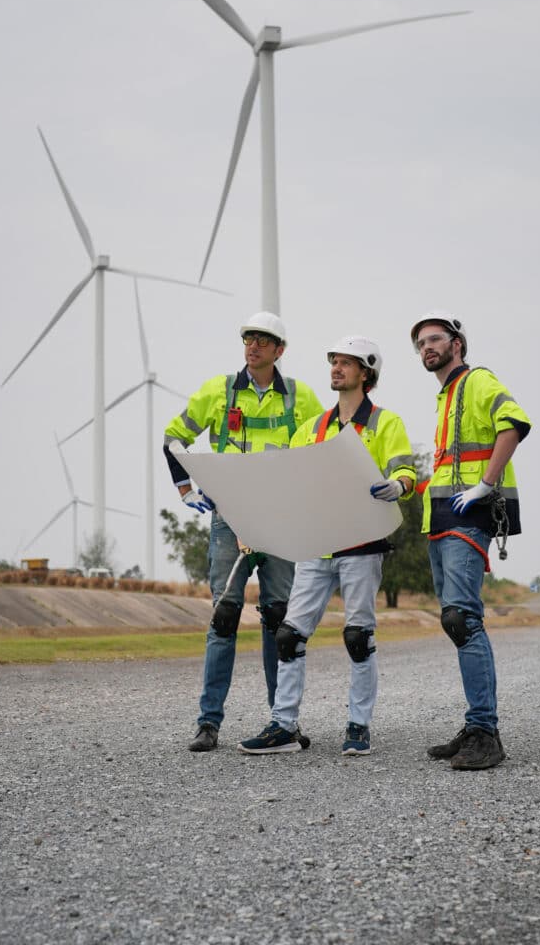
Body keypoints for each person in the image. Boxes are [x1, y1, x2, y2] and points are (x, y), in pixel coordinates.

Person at [238, 335, 415, 757]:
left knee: (358, 635)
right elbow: (285, 478)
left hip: (362, 544)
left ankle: (358, 726)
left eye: (346, 363)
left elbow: (405, 469)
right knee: (288, 635)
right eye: (334, 362)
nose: (336, 368)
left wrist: (399, 485)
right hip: (317, 545)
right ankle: (283, 726)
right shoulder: (312, 427)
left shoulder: (386, 423)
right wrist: (255, 522)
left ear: (366, 373)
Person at [163, 312, 323, 752]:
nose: (252, 345)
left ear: (279, 350)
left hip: (280, 521)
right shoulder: (219, 391)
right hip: (228, 519)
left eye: (262, 340)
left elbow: (324, 449)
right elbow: (174, 437)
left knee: (279, 620)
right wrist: (184, 490)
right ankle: (208, 724)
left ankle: (281, 723)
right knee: (224, 616)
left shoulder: (302, 397)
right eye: (248, 338)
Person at [411, 310, 531, 771]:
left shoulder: (477, 380)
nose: (426, 347)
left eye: (435, 339)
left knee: (463, 619)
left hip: (467, 517)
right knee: (453, 619)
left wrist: (487, 482)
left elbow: (514, 423)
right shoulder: (447, 395)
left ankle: (486, 732)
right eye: (420, 343)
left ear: (457, 343)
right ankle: (475, 724)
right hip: (440, 519)